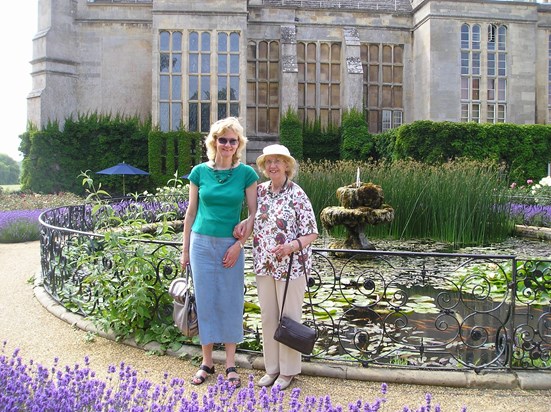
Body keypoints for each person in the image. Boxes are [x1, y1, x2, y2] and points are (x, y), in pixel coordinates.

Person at [180, 117, 258, 388]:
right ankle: (207, 362)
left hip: (230, 245)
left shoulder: (246, 174)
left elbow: (254, 213)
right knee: (206, 301)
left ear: (238, 145)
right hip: (201, 243)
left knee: (230, 300)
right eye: (222, 139)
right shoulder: (199, 172)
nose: (226, 144)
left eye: (232, 140)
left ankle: (231, 364)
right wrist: (185, 249)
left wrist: (239, 245)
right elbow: (190, 213)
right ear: (214, 142)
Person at [235, 144, 318, 390]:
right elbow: (254, 220)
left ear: (287, 166)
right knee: (268, 317)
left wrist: (291, 247)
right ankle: (272, 368)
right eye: (268, 161)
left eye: (278, 161)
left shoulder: (297, 193)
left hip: (291, 266)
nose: (272, 166)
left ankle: (289, 371)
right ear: (263, 166)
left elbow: (312, 232)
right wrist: (242, 225)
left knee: (289, 319)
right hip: (264, 264)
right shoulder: (259, 191)